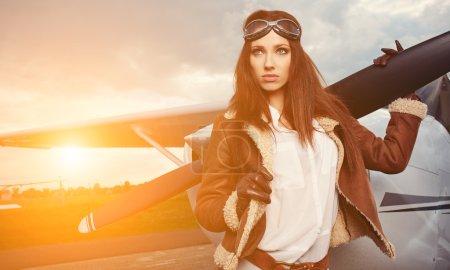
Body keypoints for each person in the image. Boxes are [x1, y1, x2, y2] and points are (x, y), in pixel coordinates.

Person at [194, 10, 427, 270]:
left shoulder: (332, 117)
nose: (269, 62)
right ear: (247, 61)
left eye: (281, 50)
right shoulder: (231, 125)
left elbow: (391, 158)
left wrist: (404, 88)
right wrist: (237, 199)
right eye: (258, 51)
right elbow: (206, 208)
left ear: (296, 59)